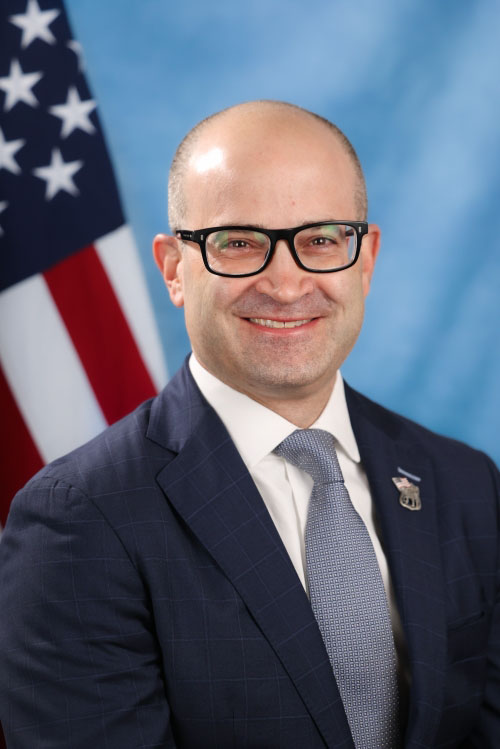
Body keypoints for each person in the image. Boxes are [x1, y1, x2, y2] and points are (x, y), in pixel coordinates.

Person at [0, 100, 498, 749]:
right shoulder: (78, 519)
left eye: (321, 240)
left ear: (365, 259)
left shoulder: (464, 483)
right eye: (239, 242)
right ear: (175, 269)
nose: (287, 284)